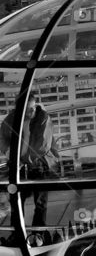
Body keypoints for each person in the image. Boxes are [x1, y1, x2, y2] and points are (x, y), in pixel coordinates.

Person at [0, 90, 58, 227]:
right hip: (19, 165)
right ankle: (17, 234)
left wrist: (22, 160)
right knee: (17, 201)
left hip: (40, 164)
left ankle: (39, 235)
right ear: (18, 109)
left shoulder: (43, 117)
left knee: (40, 203)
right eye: (27, 110)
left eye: (33, 108)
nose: (31, 112)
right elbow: (2, 138)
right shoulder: (10, 119)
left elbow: (42, 146)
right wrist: (9, 152)